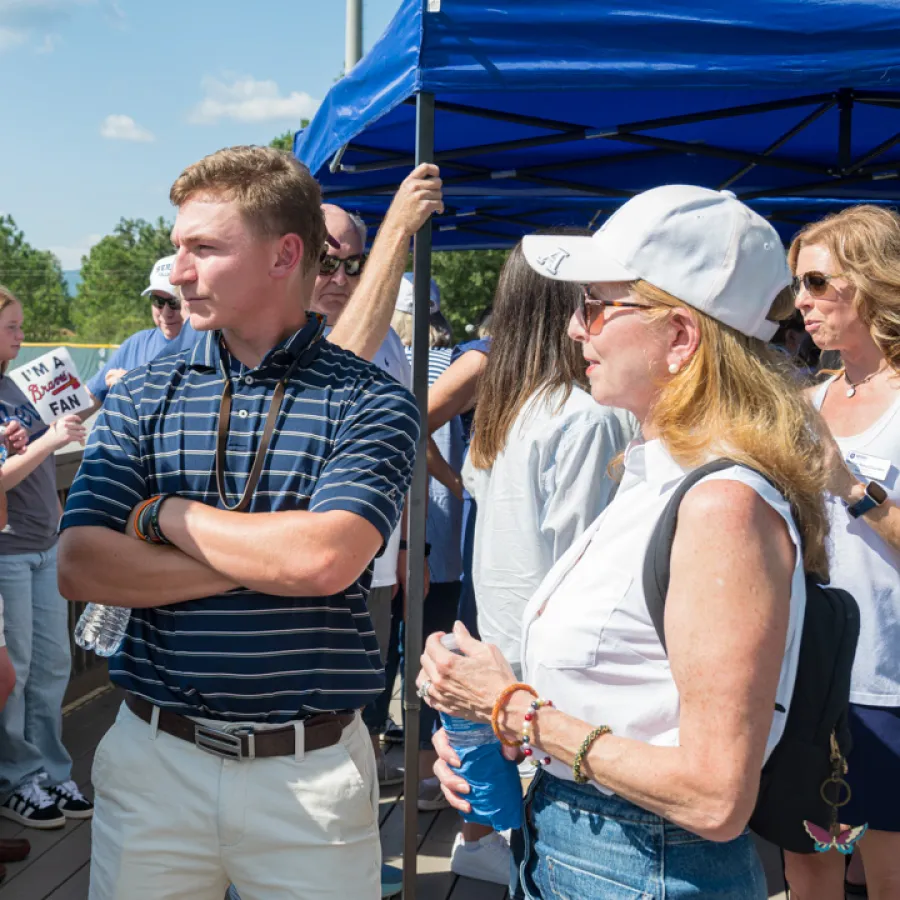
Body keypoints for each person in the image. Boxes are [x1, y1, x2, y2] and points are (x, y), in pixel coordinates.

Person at [420, 185, 829, 900]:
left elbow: (713, 796)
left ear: (680, 338)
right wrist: (491, 712)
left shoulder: (721, 507)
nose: (575, 329)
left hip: (646, 865)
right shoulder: (659, 475)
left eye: (596, 305)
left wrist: (513, 708)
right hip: (590, 848)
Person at [57, 146, 423, 900]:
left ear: (286, 254)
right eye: (179, 246)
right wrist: (268, 558)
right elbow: (84, 565)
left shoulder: (371, 401)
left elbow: (326, 561)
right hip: (154, 765)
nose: (179, 270)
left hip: (310, 779)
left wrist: (166, 514)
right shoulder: (141, 396)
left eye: (205, 248)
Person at [784, 205, 900, 900]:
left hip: (886, 688)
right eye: (799, 285)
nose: (802, 301)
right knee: (809, 871)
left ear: (876, 280)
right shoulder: (807, 398)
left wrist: (852, 486)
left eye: (818, 282)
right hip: (805, 682)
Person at [0, 287, 91, 830]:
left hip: (42, 542)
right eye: (11, 326)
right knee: (18, 671)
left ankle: (50, 769)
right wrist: (48, 441)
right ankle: (18, 777)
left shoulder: (15, 385)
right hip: (8, 550)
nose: (21, 335)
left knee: (52, 665)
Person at [85, 255, 186, 407]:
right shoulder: (136, 344)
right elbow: (91, 396)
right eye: (158, 302)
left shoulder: (210, 346)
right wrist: (51, 425)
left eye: (174, 302)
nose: (166, 312)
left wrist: (131, 386)